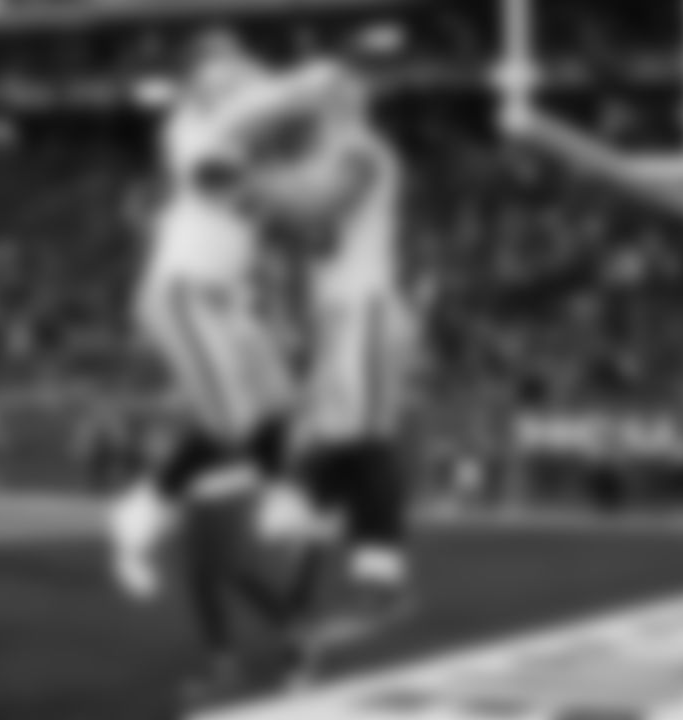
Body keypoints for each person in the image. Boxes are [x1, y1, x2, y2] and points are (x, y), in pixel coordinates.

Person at [109, 31, 298, 700]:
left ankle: (276, 495)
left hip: (228, 301)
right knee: (225, 422)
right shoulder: (191, 125)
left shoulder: (248, 126)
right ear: (199, 82)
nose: (236, 82)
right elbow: (214, 177)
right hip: (184, 290)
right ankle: (139, 513)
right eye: (221, 74)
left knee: (275, 397)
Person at [242, 53, 418, 656]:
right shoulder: (326, 155)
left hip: (363, 309)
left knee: (362, 439)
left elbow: (316, 210)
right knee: (329, 441)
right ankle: (305, 564)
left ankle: (381, 577)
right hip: (338, 317)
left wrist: (248, 179)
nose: (312, 108)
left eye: (320, 98)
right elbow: (302, 225)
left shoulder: (362, 151)